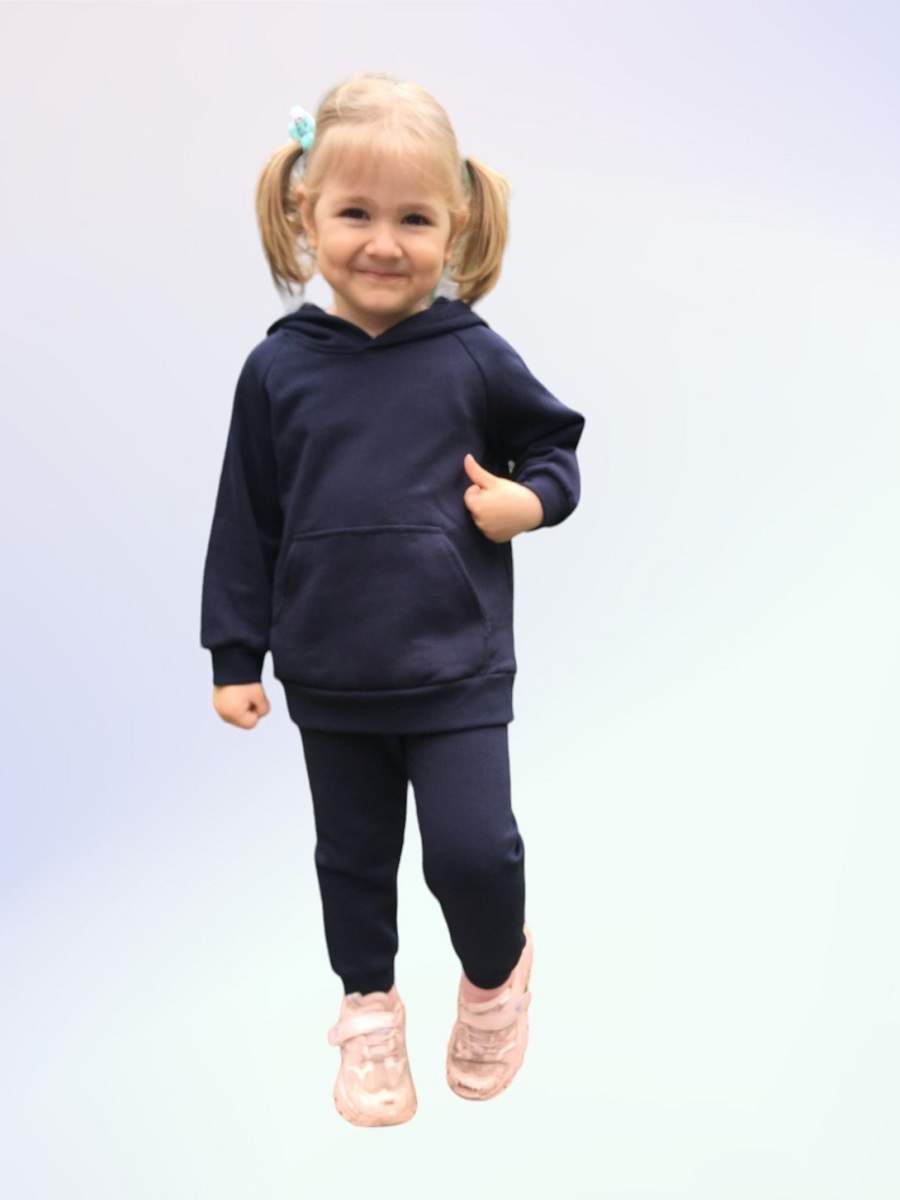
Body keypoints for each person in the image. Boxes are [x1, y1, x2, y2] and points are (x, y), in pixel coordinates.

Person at [201, 73, 584, 1127]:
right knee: (352, 863)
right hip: (330, 674)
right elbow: (245, 518)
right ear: (305, 213)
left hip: (456, 666)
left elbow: (555, 450)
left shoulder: (473, 355)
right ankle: (368, 1012)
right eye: (355, 214)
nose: (383, 243)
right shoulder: (277, 372)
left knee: (474, 852)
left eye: (414, 219)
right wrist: (234, 654)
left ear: (456, 224)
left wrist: (530, 501)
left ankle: (495, 979)